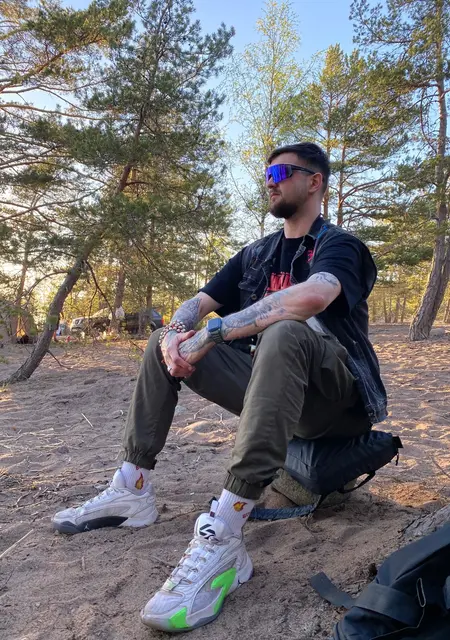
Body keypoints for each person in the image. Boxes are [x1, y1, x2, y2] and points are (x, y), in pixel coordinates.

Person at [52, 142, 387, 632]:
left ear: (314, 181)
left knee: (284, 330)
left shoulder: (340, 245)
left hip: (337, 402)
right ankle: (132, 488)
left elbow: (314, 296)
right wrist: (176, 332)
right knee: (162, 343)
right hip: (276, 391)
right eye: (266, 173)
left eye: (280, 172)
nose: (269, 181)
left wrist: (215, 332)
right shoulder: (257, 253)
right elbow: (198, 302)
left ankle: (226, 532)